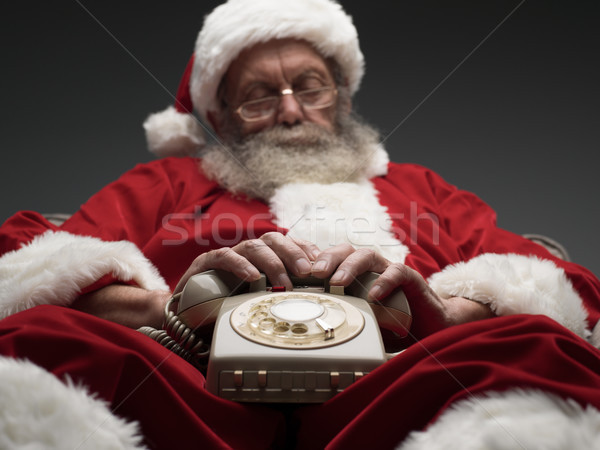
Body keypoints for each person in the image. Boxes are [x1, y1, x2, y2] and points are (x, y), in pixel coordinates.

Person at [1, 0, 600, 448]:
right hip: (192, 388)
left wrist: (447, 317)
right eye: (259, 96)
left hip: (402, 384)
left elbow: (563, 286)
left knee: (531, 351)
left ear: (340, 96)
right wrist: (165, 311)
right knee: (47, 345)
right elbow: (21, 260)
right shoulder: (165, 185)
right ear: (223, 118)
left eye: (309, 86)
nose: (290, 110)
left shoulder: (422, 189)